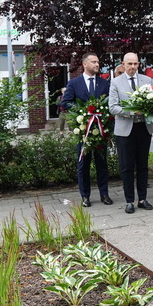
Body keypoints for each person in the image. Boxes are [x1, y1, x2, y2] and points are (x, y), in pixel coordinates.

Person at [61, 53, 113, 208]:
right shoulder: (74, 83)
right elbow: (66, 102)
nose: (97, 64)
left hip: (100, 130)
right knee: (83, 164)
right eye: (94, 62)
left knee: (102, 163)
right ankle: (85, 196)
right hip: (83, 130)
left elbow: (110, 101)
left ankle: (104, 194)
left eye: (98, 61)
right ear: (85, 64)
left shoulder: (104, 83)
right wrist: (83, 112)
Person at [109, 52, 153, 214]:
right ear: (123, 64)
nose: (133, 67)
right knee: (127, 167)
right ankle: (129, 201)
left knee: (143, 165)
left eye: (135, 64)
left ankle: (142, 199)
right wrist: (132, 112)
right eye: (130, 64)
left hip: (144, 128)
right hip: (125, 130)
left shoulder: (147, 81)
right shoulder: (115, 82)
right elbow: (113, 107)